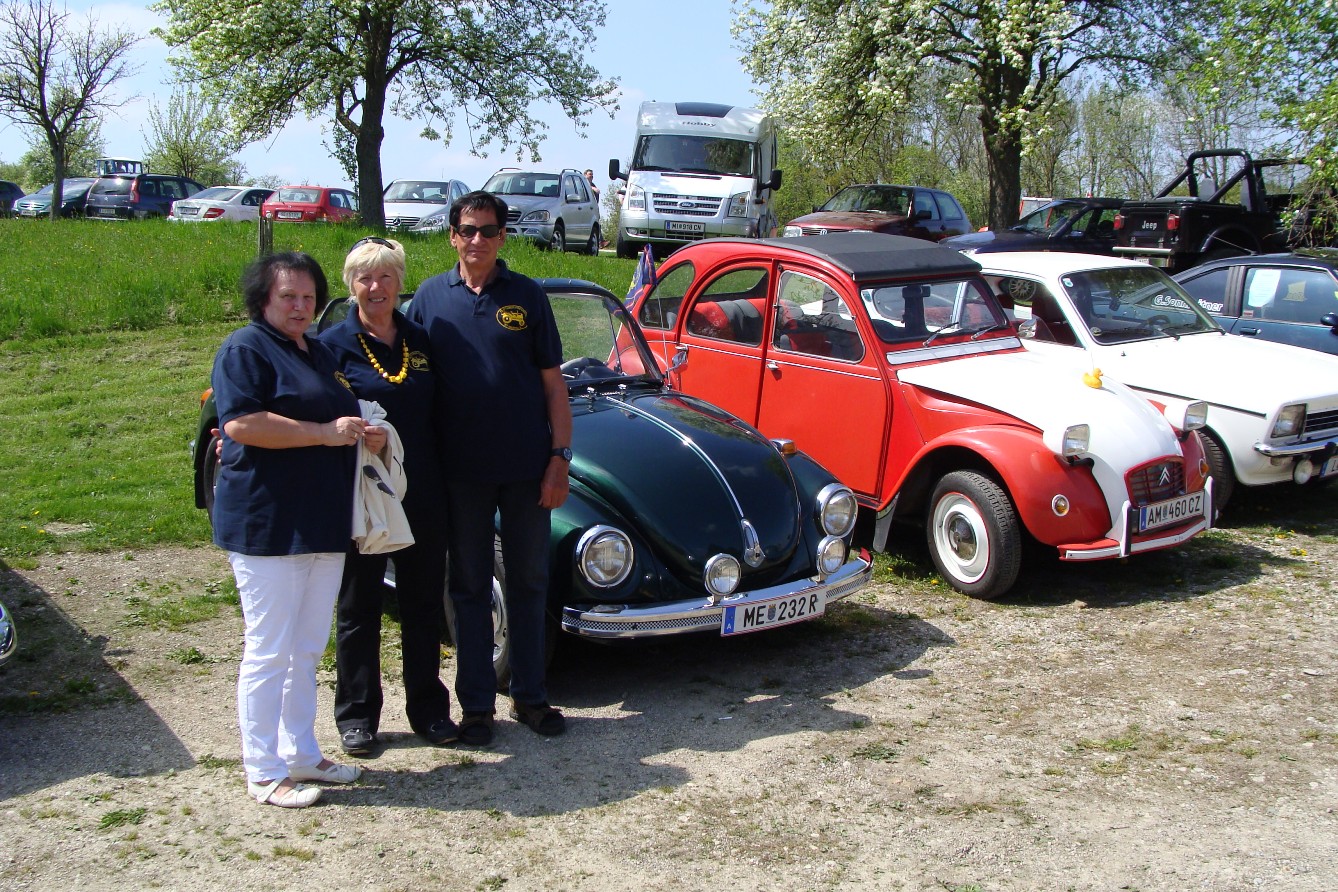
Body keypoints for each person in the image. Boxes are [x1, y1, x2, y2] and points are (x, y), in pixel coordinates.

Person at [211, 252, 383, 808]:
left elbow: (340, 419)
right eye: (288, 297)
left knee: (307, 648)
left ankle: (302, 753)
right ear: (263, 299)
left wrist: (363, 433)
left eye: (309, 297)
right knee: (269, 649)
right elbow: (240, 423)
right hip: (267, 523)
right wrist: (322, 432)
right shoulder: (245, 348)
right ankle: (263, 771)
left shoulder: (321, 351)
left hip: (323, 520)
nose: (300, 306)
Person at [404, 191, 572, 745]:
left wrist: (559, 459)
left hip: (527, 470)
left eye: (488, 230)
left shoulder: (527, 296)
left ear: (504, 237)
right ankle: (476, 706)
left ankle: (530, 697)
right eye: (467, 229)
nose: (477, 239)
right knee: (470, 587)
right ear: (452, 235)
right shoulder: (428, 299)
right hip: (460, 474)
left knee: (528, 582)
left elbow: (554, 386)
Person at [316, 237, 456, 755]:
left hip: (419, 490)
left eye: (385, 277)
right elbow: (317, 414)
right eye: (364, 278)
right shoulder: (331, 344)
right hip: (362, 494)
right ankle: (357, 716)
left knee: (422, 605)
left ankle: (428, 709)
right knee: (359, 605)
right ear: (350, 284)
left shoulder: (421, 339)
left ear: (400, 283)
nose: (375, 288)